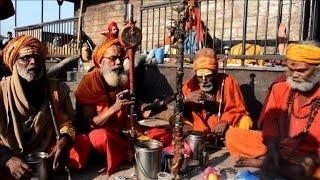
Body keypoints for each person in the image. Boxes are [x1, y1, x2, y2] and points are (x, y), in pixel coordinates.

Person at [225, 40, 320, 179]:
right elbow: (270, 123)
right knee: (233, 136)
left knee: (308, 169)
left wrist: (311, 157)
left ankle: (263, 164)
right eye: (290, 69)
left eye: (301, 70)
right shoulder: (280, 88)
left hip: (308, 154)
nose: (294, 75)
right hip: (279, 145)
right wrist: (272, 147)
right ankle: (276, 163)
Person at [0, 35, 90, 179]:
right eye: (25, 58)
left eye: (38, 58)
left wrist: (64, 140)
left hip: (46, 150)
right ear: (14, 62)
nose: (33, 62)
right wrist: (7, 159)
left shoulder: (55, 89)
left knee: (82, 143)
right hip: (10, 151)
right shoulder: (2, 91)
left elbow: (66, 121)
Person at [75, 38, 134, 175]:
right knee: (101, 137)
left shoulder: (122, 78)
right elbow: (88, 125)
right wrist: (114, 108)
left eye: (120, 58)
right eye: (113, 58)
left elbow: (132, 111)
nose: (119, 62)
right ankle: (126, 153)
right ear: (101, 61)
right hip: (98, 133)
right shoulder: (89, 83)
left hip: (121, 130)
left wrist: (151, 108)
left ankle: (128, 150)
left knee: (159, 133)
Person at [182, 48, 252, 138]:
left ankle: (234, 142)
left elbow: (239, 109)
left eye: (208, 76)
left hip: (224, 125)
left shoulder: (228, 82)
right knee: (178, 122)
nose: (204, 81)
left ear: (215, 73)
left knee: (246, 121)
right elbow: (179, 111)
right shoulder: (189, 85)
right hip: (199, 126)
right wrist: (186, 99)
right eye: (200, 77)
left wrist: (225, 121)